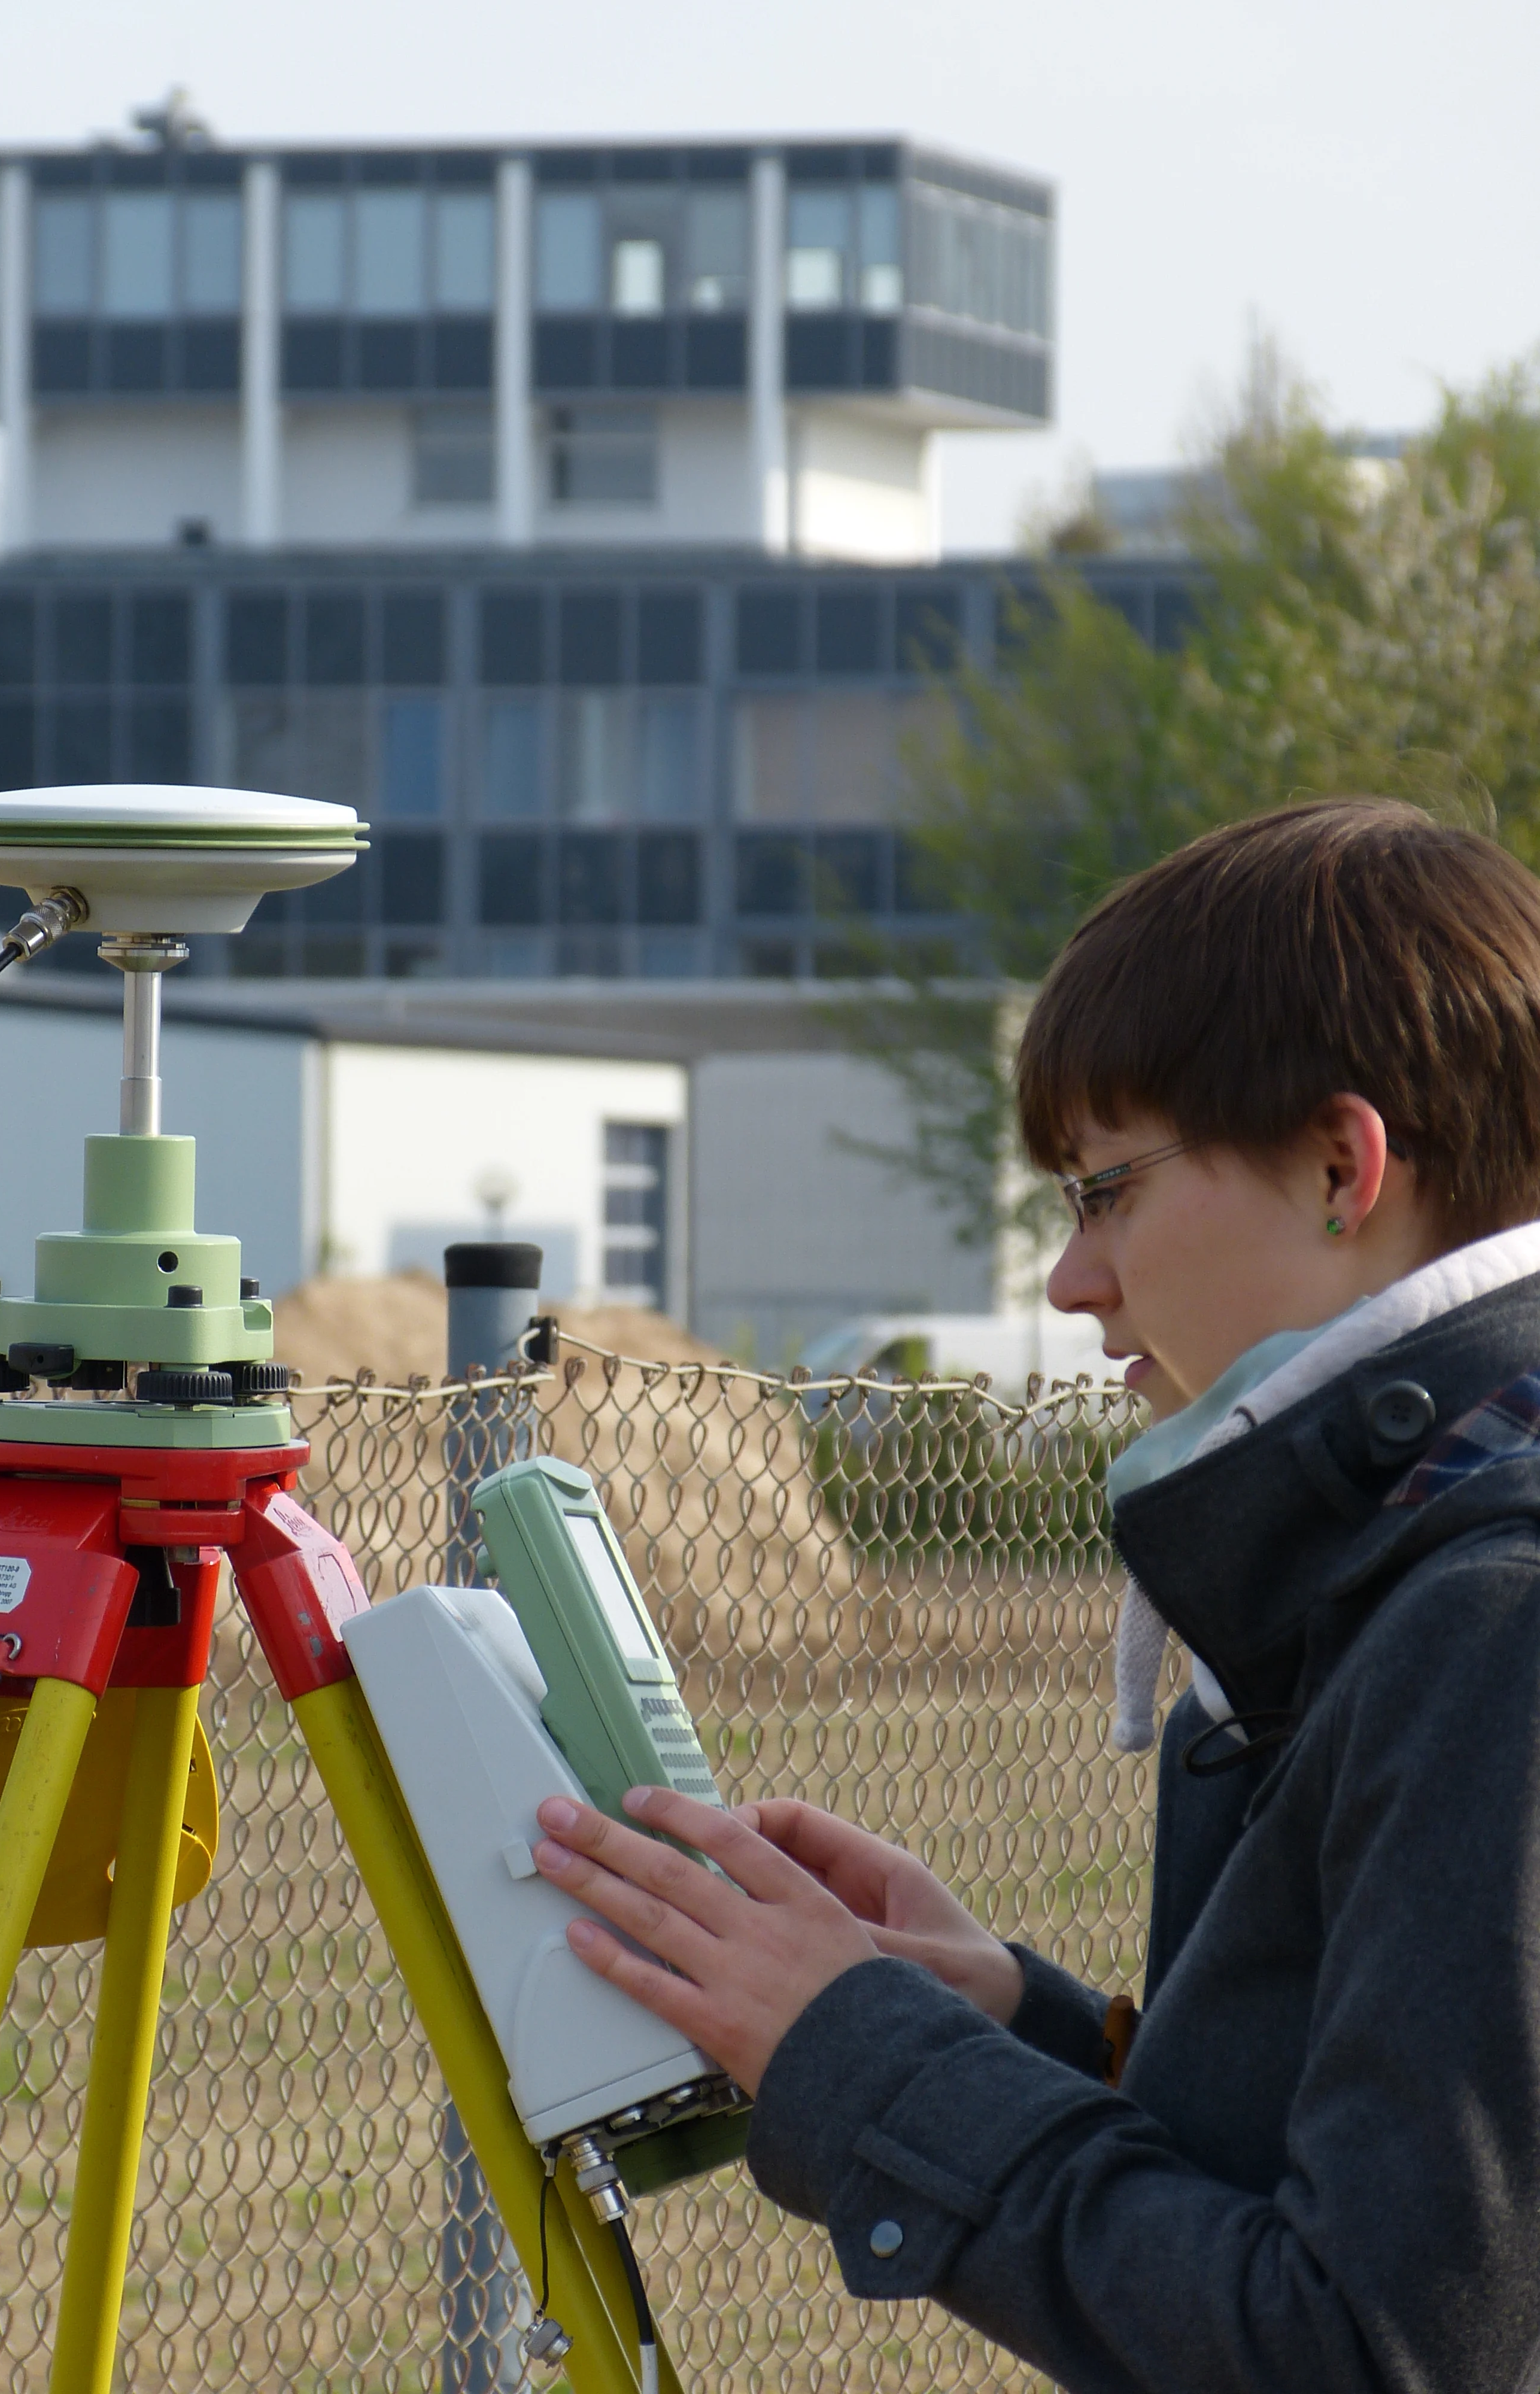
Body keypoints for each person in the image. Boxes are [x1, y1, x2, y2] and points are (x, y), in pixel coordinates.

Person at [529, 798, 1540, 2390]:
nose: (1073, 1281)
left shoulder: (1496, 1619)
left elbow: (1367, 2352)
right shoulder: (1417, 1563)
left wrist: (863, 2056)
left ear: (1345, 1167)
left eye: (1107, 1190)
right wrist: (1015, 2025)